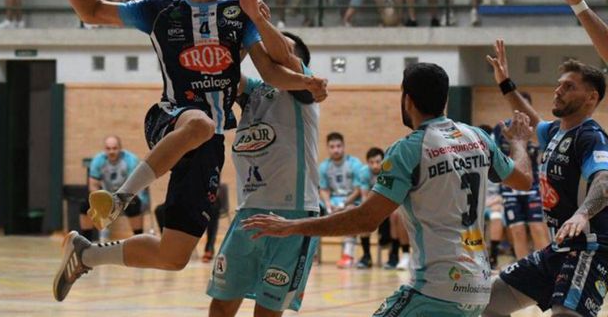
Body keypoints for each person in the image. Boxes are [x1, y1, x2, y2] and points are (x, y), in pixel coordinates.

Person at [52, 0, 326, 302]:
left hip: (208, 145)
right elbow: (91, 10)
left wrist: (306, 81)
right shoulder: (159, 12)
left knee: (174, 255)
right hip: (171, 117)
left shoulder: (237, 15)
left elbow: (271, 71)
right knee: (200, 123)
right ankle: (119, 199)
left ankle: (86, 254)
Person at [243, 62, 535, 316]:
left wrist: (291, 227)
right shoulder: (478, 137)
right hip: (478, 287)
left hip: (436, 289)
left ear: (407, 99)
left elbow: (365, 220)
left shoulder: (409, 149)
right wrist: (520, 143)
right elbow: (523, 179)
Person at [482, 39, 608, 317]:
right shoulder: (554, 132)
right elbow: (532, 120)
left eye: (569, 86)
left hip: (589, 248)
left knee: (563, 313)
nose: (558, 90)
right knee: (489, 301)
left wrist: (582, 214)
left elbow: (604, 180)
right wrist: (505, 83)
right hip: (558, 249)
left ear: (591, 97)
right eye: (559, 84)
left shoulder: (590, 136)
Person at [207, 28, 325, 316]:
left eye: (284, 46)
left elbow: (279, 53)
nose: (272, 48)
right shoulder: (255, 91)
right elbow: (224, 72)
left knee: (267, 312)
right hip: (248, 213)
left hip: (292, 214)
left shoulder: (304, 87)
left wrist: (258, 20)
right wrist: (244, 29)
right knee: (221, 306)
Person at [491, 94, 549, 260]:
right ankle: (524, 272)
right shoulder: (500, 129)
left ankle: (545, 269)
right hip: (509, 186)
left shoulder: (539, 129)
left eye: (525, 109)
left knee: (537, 227)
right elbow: (495, 159)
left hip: (533, 186)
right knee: (517, 231)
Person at [78, 136, 147, 242]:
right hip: (105, 196)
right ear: (104, 149)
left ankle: (139, 238)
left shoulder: (130, 160)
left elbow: (133, 185)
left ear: (120, 148)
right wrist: (99, 200)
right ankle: (86, 240)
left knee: (135, 204)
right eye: (108, 148)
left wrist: (119, 200)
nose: (111, 151)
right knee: (85, 204)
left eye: (114, 148)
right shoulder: (98, 160)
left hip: (127, 195)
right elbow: (93, 185)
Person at [318, 131, 366, 268]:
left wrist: (343, 204)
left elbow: (358, 189)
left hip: (350, 202)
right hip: (332, 202)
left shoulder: (354, 163)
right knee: (315, 211)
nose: (336, 150)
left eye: (338, 146)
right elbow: (324, 189)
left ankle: (348, 255)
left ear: (343, 147)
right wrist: (328, 205)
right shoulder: (324, 167)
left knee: (351, 212)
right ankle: (313, 255)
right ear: (328, 148)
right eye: (332, 147)